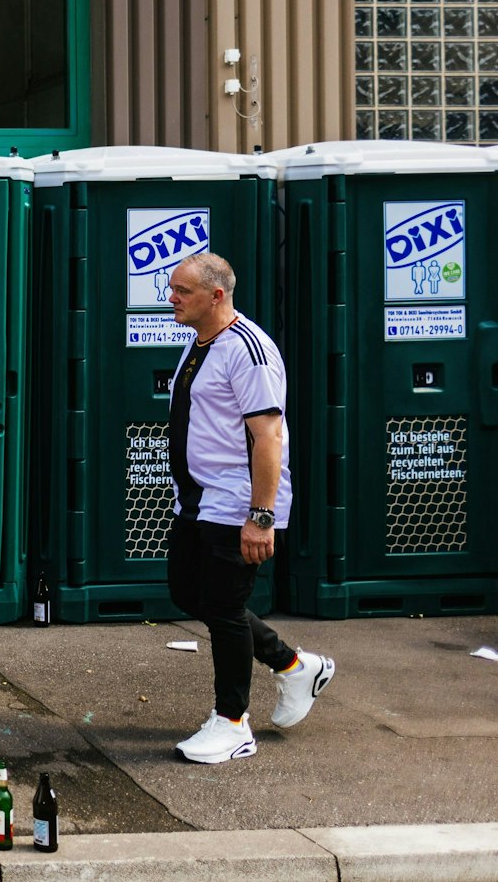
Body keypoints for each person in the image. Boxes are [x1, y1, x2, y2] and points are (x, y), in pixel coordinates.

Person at [162, 253, 334, 764]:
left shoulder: (249, 350)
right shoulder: (199, 343)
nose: (172, 297)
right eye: (171, 288)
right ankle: (294, 666)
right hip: (196, 500)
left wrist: (261, 516)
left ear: (217, 295)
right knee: (190, 594)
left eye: (182, 290)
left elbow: (268, 437)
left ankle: (233, 722)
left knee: (226, 609)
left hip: (236, 501)